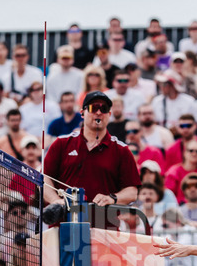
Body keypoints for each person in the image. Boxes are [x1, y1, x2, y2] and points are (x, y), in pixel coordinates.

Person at [42, 90, 140, 225]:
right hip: (64, 226)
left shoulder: (121, 150)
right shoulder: (62, 144)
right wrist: (55, 200)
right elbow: (44, 178)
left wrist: (112, 198)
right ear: (82, 113)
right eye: (93, 108)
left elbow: (132, 192)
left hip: (104, 229)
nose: (99, 112)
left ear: (109, 115)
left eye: (104, 109)